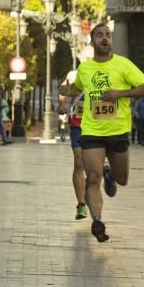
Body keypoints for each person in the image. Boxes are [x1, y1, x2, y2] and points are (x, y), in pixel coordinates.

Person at [63, 23, 144, 242]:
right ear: (92, 41)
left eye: (108, 35)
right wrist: (68, 91)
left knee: (122, 179)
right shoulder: (85, 68)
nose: (104, 39)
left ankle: (111, 174)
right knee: (92, 177)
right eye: (100, 35)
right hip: (92, 129)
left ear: (111, 40)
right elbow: (78, 88)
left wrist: (121, 93)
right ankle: (97, 221)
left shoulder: (124, 64)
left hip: (118, 130)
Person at [58, 72, 87, 220]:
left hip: (98, 124)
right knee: (79, 162)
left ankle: (90, 186)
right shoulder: (74, 74)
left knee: (95, 166)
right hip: (77, 124)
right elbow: (63, 90)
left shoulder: (104, 70)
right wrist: (62, 105)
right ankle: (81, 204)